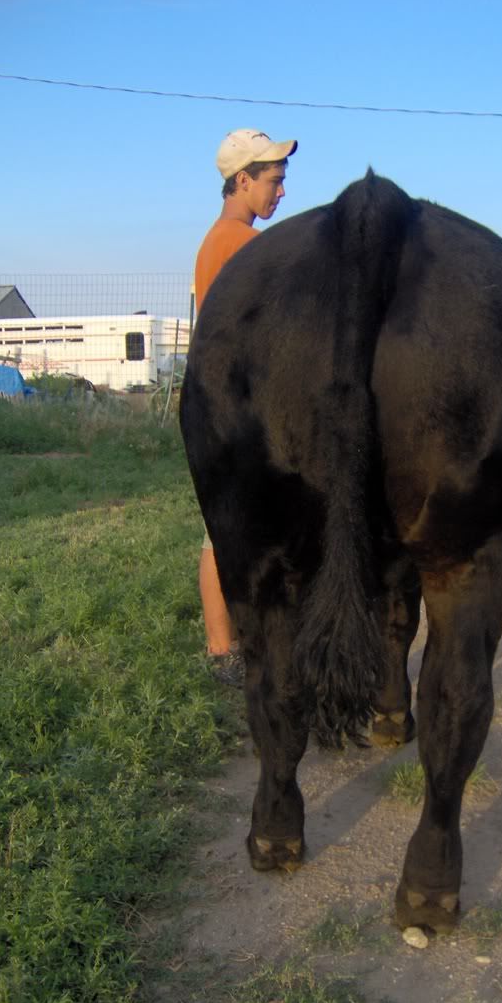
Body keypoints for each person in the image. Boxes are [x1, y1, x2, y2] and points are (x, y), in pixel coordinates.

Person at [193, 128, 297, 679]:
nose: (281, 193)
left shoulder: (217, 239)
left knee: (219, 529)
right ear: (243, 179)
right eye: (274, 181)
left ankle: (221, 651)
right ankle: (234, 651)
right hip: (241, 408)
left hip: (220, 405)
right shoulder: (242, 243)